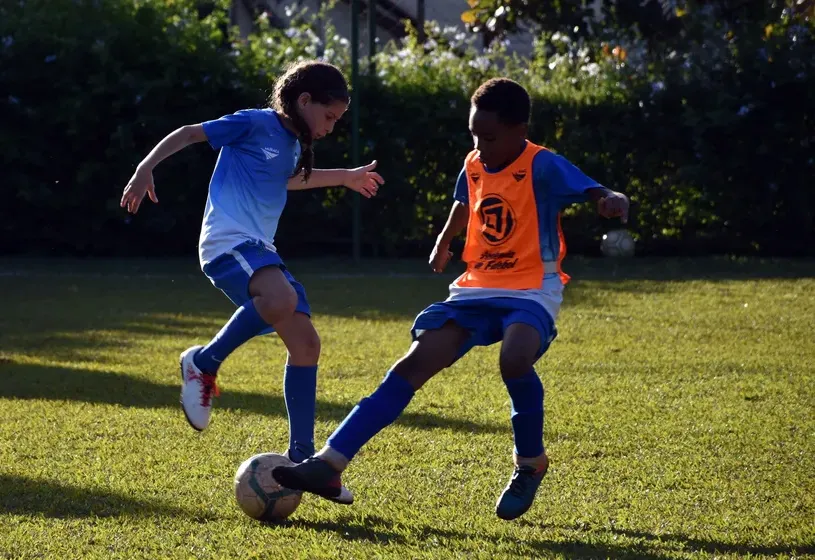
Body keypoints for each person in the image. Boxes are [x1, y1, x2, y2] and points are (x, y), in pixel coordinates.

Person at [272, 77, 629, 520]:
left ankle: (529, 463)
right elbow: (466, 200)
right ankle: (329, 464)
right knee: (413, 363)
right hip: (476, 286)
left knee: (515, 359)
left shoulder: (543, 165)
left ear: (521, 130)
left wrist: (611, 199)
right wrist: (445, 239)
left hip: (533, 286)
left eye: (491, 137)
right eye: (474, 135)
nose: (481, 145)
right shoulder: (475, 161)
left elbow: (593, 189)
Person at [120, 61, 384, 504]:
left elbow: (289, 180)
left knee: (306, 345)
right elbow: (188, 133)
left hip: (259, 248)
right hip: (227, 243)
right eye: (330, 117)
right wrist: (146, 167)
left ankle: (304, 460)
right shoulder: (252, 123)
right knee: (279, 298)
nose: (332, 127)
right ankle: (203, 362)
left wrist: (346, 176)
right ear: (305, 101)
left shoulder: (296, 142)